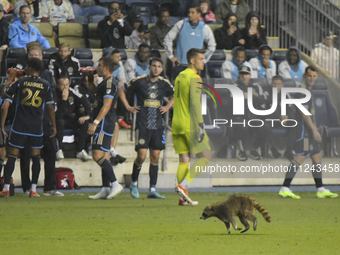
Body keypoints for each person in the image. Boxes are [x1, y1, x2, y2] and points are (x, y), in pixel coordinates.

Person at [278, 66, 338, 199]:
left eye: (314, 76)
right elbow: (305, 114)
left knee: (317, 158)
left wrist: (314, 128)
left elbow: (311, 114)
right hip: (303, 132)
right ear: (305, 76)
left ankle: (320, 189)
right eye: (309, 76)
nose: (311, 79)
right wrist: (315, 130)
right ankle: (284, 188)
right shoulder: (302, 92)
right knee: (299, 159)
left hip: (309, 132)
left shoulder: (308, 91)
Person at [0, 58, 56, 198]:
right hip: (36, 127)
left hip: (20, 125)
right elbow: (50, 108)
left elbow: (3, 95)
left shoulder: (21, 82)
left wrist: (10, 78)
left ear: (30, 68)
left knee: (12, 156)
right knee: (36, 157)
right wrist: (54, 125)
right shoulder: (45, 84)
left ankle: (6, 188)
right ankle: (33, 189)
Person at [119, 57, 174, 199]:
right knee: (142, 156)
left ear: (162, 69)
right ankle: (134, 184)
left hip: (158, 125)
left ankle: (152, 189)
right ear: (149, 67)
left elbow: (176, 93)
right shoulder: (140, 81)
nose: (156, 68)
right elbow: (121, 88)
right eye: (154, 65)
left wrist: (167, 106)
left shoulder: (164, 83)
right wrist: (127, 106)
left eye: (159, 66)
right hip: (143, 124)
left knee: (155, 156)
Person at [172, 48, 211, 206]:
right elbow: (195, 104)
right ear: (192, 61)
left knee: (184, 159)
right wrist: (201, 125)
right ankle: (183, 185)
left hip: (177, 122)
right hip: (190, 123)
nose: (203, 61)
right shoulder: (195, 78)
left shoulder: (180, 76)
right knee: (206, 156)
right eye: (201, 58)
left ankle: (183, 198)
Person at [87, 57, 123, 200]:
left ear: (106, 68)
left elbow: (106, 105)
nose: (98, 67)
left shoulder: (109, 83)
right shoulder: (105, 83)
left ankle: (115, 184)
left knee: (97, 155)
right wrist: (90, 81)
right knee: (105, 156)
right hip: (106, 122)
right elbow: (96, 95)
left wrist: (95, 122)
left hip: (103, 123)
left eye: (100, 65)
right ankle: (105, 188)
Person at [230, 66, 281, 161]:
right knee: (241, 124)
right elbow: (235, 101)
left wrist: (248, 96)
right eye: (241, 74)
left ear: (250, 75)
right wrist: (254, 96)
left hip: (254, 117)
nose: (243, 76)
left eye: (246, 74)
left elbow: (262, 100)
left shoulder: (256, 86)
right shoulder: (234, 86)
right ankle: (242, 151)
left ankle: (254, 150)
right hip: (240, 116)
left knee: (265, 127)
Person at [55, 76, 92, 161]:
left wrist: (87, 115)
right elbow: (59, 114)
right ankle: (59, 150)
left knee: (84, 122)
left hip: (71, 118)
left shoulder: (72, 92)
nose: (65, 87)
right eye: (62, 85)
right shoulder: (54, 94)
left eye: (67, 85)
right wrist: (64, 100)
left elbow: (85, 102)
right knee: (59, 122)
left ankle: (80, 150)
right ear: (58, 85)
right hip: (59, 119)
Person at [263, 75, 295, 161]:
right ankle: (273, 150)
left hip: (283, 120)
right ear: (271, 84)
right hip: (271, 119)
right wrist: (279, 116)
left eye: (278, 84)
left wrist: (287, 117)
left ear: (282, 85)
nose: (276, 86)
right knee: (265, 125)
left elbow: (291, 111)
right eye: (274, 83)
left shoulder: (286, 94)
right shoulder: (266, 94)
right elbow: (266, 111)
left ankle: (289, 151)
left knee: (294, 123)